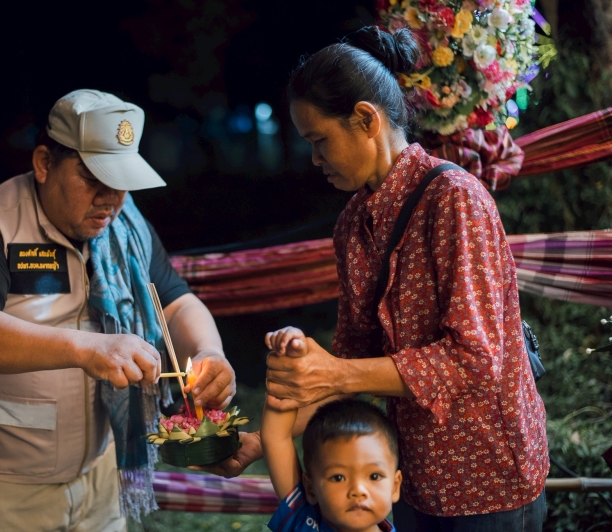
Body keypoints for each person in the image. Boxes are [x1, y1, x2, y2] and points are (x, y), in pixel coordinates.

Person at [211, 26, 549, 531]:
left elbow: (474, 360)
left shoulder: (455, 199)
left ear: (366, 120)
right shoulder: (353, 223)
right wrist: (266, 440)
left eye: (320, 140)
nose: (315, 159)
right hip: (405, 480)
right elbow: (353, 363)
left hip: (488, 481)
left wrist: (336, 374)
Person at [0, 89, 236, 532]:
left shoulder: (127, 224)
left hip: (102, 467)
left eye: (121, 180)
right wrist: (87, 348)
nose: (110, 198)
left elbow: (175, 302)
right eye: (93, 177)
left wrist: (210, 352)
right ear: (44, 163)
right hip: (2, 479)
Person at [263, 330, 400, 532]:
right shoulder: (305, 522)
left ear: (395, 486)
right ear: (311, 489)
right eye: (338, 478)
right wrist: (291, 364)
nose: (358, 491)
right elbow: (276, 438)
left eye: (374, 476)